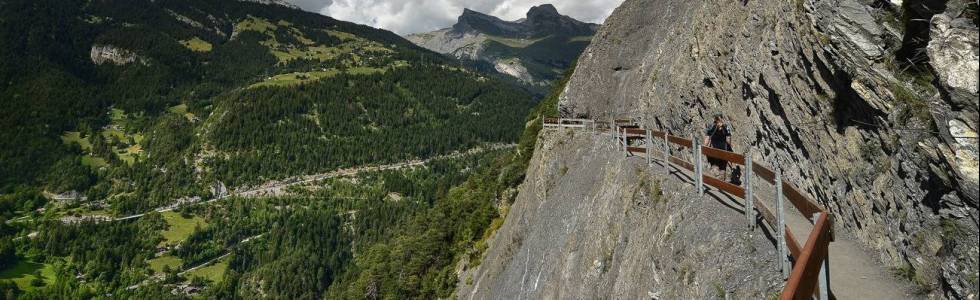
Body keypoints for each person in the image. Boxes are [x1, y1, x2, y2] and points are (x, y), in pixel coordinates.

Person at [703, 114, 733, 180]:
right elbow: (728, 140)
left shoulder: (711, 126)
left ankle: (717, 183)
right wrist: (729, 149)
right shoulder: (726, 127)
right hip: (723, 150)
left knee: (715, 167)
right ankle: (721, 184)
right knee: (722, 168)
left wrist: (704, 148)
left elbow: (707, 138)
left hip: (713, 151)